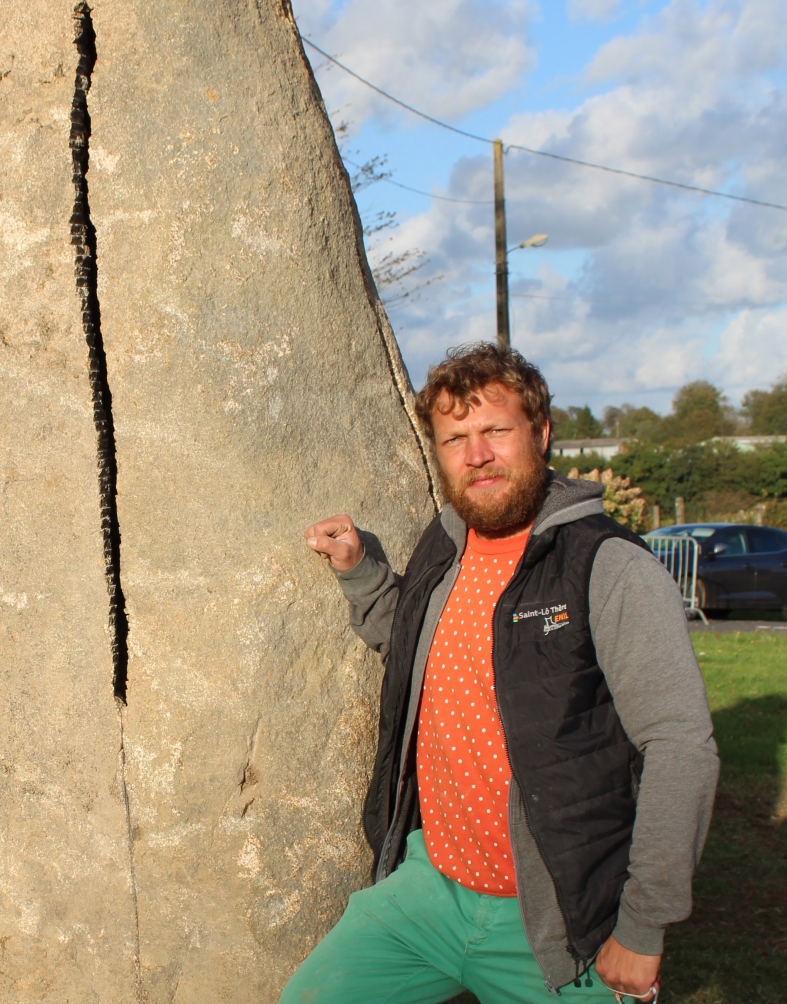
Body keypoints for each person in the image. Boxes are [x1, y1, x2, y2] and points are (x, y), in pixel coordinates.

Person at [285, 343, 718, 1004]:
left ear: (541, 434)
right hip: (430, 890)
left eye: (495, 431)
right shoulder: (446, 539)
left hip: (558, 922)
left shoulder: (609, 567)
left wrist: (642, 926)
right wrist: (363, 573)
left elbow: (681, 748)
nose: (476, 454)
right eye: (455, 438)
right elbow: (415, 649)